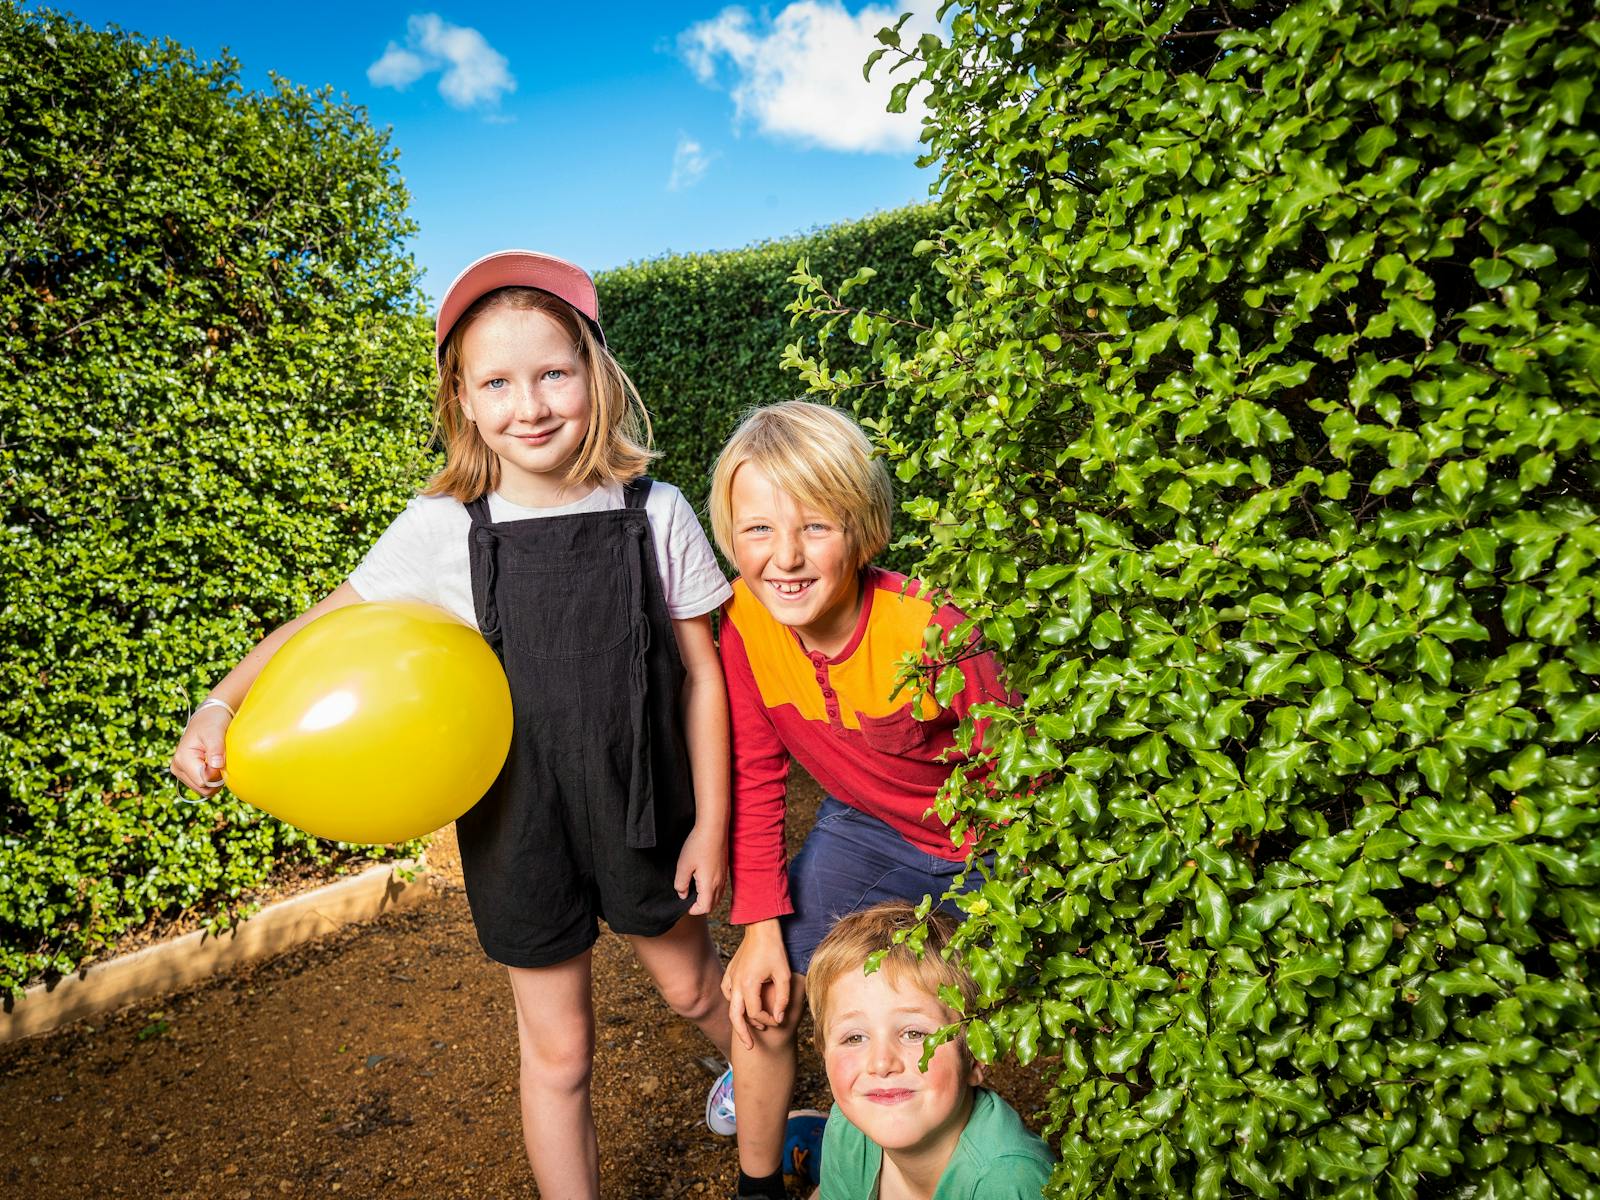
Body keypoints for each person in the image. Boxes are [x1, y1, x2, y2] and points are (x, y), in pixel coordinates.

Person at [169, 250, 735, 1199]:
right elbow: (325, 620)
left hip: (644, 807)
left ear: (595, 376)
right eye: (498, 383)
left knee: (696, 990)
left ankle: (784, 1096)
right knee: (560, 1056)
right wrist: (221, 700)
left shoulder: (657, 512)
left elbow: (702, 680)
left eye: (554, 372)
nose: (532, 405)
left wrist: (711, 825)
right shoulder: (444, 528)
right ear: (464, 402)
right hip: (519, 830)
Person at [704, 401, 1013, 1200]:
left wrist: (1023, 897)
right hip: (867, 829)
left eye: (815, 526)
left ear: (865, 529)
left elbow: (1021, 774)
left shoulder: (935, 625)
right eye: (758, 532)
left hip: (991, 845)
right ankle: (761, 1182)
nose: (785, 558)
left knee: (965, 1018)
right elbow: (755, 776)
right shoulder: (741, 624)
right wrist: (760, 926)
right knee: (762, 998)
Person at [807, 902, 1055, 1199]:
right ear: (823, 1053)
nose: (882, 1063)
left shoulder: (1008, 1183)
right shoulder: (849, 1128)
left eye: (914, 1033)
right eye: (855, 1038)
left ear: (976, 1054)